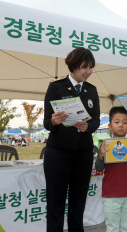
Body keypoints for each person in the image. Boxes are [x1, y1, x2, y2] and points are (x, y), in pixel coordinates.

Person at [43, 47, 100, 232]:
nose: (89, 71)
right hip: (58, 152)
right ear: (74, 66)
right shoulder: (56, 87)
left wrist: (88, 127)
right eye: (85, 67)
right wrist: (53, 120)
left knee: (78, 201)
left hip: (83, 153)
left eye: (91, 67)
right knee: (55, 201)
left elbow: (96, 120)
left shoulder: (92, 90)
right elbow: (46, 122)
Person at [95, 106, 127, 232]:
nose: (121, 125)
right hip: (111, 194)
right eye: (116, 122)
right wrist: (101, 155)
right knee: (112, 228)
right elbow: (98, 168)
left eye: (125, 122)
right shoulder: (106, 145)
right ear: (110, 126)